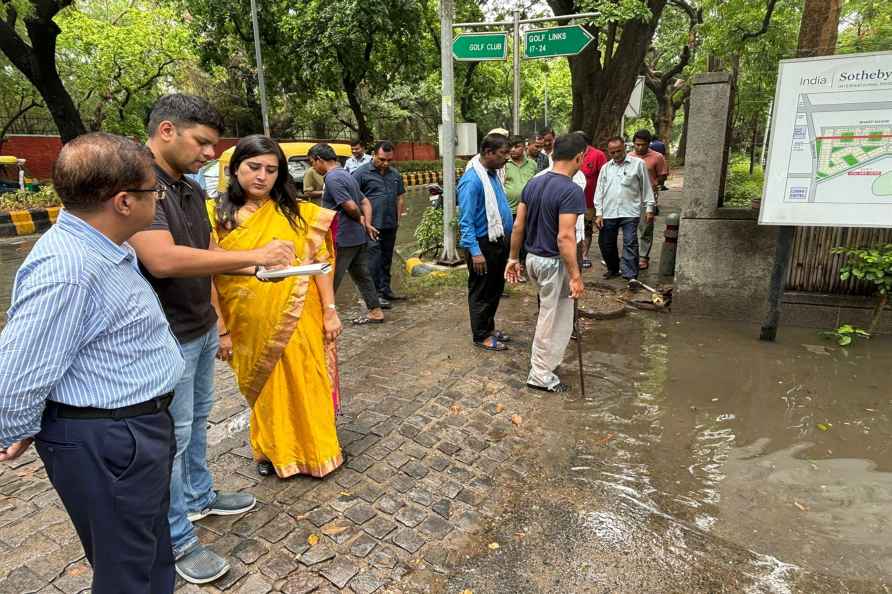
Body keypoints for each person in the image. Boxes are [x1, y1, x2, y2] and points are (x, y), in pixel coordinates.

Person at [0, 133, 184, 593]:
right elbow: (18, 371)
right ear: (124, 201)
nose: (157, 201)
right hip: (108, 438)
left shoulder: (106, 247)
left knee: (145, 550)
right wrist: (14, 426)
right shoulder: (70, 268)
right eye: (153, 192)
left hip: (130, 431)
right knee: (127, 569)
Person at [130, 94, 294, 585]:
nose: (209, 154)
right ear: (166, 131)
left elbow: (206, 247)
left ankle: (199, 497)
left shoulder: (185, 186)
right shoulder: (140, 183)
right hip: (165, 334)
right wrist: (257, 255)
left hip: (198, 324)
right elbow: (163, 259)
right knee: (173, 439)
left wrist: (255, 265)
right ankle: (177, 536)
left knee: (199, 420)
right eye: (201, 142)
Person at [207, 135, 345, 480]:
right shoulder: (216, 215)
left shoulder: (297, 212)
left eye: (271, 169)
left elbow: (322, 262)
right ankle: (273, 450)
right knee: (266, 387)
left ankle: (319, 450)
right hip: (248, 320)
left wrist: (330, 309)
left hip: (301, 314)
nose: (261, 176)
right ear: (235, 168)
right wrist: (220, 327)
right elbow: (206, 271)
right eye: (253, 167)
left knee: (307, 379)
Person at [506, 133, 587, 393]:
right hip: (553, 263)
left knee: (558, 315)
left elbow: (518, 224)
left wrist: (513, 257)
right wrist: (576, 275)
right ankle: (540, 374)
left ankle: (548, 364)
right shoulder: (571, 190)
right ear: (579, 157)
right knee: (551, 318)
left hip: (532, 259)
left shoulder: (534, 183)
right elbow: (565, 237)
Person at [310, 143, 385, 325]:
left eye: (312, 162)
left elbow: (350, 206)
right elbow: (365, 201)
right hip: (357, 237)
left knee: (329, 278)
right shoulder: (347, 175)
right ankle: (375, 311)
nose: (313, 167)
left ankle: (322, 317)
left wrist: (361, 220)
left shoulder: (333, 178)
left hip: (342, 238)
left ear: (319, 160)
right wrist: (366, 223)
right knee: (361, 275)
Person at [457, 133, 512, 351]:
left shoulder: (492, 174)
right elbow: (466, 221)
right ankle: (481, 335)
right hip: (482, 245)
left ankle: (489, 328)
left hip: (497, 241)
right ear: (488, 153)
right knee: (481, 291)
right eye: (502, 154)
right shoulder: (472, 181)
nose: (506, 158)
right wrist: (475, 251)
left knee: (495, 289)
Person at [594, 136, 655, 283]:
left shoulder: (638, 164)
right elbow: (599, 191)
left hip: (630, 211)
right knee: (606, 243)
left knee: (630, 242)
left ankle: (630, 275)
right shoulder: (606, 168)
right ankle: (613, 269)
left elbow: (646, 186)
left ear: (625, 149)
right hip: (609, 212)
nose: (616, 155)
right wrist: (599, 213)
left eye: (618, 151)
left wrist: (649, 208)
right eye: (612, 152)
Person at [353, 140, 406, 304]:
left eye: (389, 160)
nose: (385, 163)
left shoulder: (395, 175)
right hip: (370, 226)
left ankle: (385, 290)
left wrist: (397, 219)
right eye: (382, 159)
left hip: (390, 224)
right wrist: (361, 221)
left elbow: (400, 197)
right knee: (372, 261)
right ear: (374, 154)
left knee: (386, 259)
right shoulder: (360, 174)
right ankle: (373, 296)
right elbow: (353, 200)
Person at [630, 129, 669, 270]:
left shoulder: (657, 157)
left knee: (646, 227)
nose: (639, 147)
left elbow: (662, 176)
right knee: (630, 228)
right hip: (630, 197)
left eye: (643, 145)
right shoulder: (629, 156)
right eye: (637, 144)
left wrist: (653, 187)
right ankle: (631, 255)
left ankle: (643, 256)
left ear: (648, 144)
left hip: (647, 198)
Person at [573, 131, 608, 269]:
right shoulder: (571, 153)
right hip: (571, 199)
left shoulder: (597, 155)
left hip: (589, 200)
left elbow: (604, 177)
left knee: (586, 227)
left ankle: (584, 255)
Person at [503, 135, 538, 214]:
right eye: (510, 147)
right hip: (509, 211)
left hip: (529, 210)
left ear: (524, 147)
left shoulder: (532, 164)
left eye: (517, 147)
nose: (513, 150)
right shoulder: (503, 164)